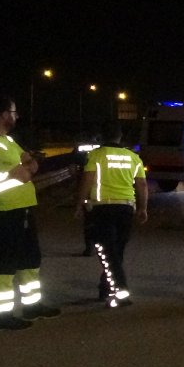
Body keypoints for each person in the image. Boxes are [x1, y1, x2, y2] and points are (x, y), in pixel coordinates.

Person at [0, 96, 60, 330]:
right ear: (4, 115)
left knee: (30, 259)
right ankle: (1, 317)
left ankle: (32, 306)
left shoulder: (9, 141)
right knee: (3, 264)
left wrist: (26, 166)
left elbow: (31, 164)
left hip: (21, 209)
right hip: (5, 211)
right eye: (14, 112)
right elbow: (24, 173)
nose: (17, 116)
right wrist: (24, 168)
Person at [75, 122, 148, 307]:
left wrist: (79, 204)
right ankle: (105, 288)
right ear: (120, 136)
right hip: (125, 208)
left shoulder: (96, 155)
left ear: (102, 136)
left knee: (107, 251)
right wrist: (143, 208)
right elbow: (142, 185)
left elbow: (87, 180)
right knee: (116, 250)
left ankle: (120, 291)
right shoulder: (133, 157)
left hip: (102, 208)